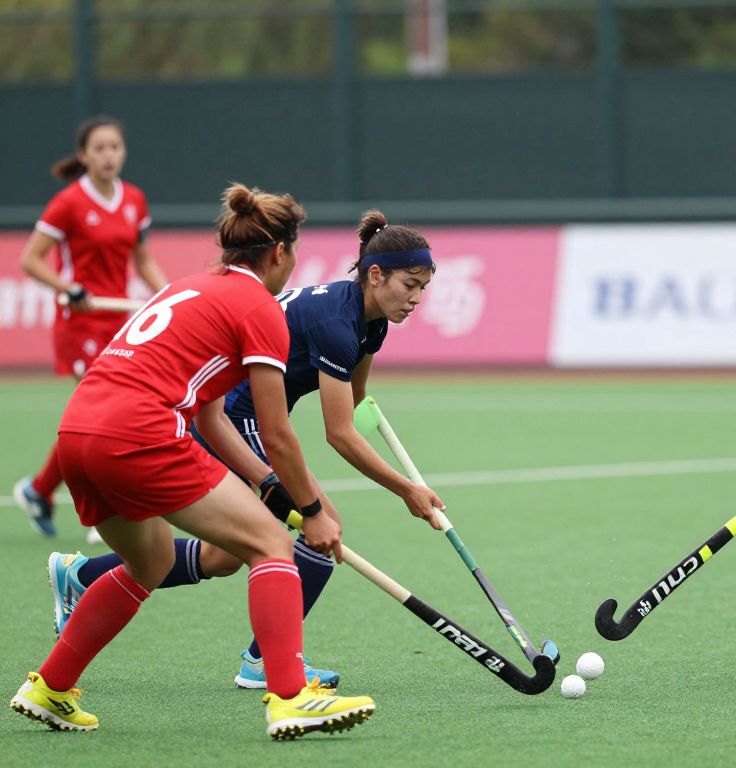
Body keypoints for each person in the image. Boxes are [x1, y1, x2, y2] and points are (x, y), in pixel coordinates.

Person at [10, 183, 375, 740]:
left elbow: (210, 418)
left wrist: (271, 488)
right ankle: (289, 696)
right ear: (280, 252)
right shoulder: (261, 309)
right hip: (140, 435)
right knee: (272, 545)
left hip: (78, 434)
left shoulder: (191, 288)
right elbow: (276, 432)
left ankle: (50, 686)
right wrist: (311, 508)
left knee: (149, 563)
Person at [45, 209, 445, 691]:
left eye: (424, 287)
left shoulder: (371, 322)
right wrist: (405, 489)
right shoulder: (338, 325)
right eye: (410, 284)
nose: (417, 298)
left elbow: (354, 404)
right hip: (236, 416)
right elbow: (337, 433)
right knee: (320, 527)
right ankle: (265, 664)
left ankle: (82, 575)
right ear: (375, 275)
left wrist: (370, 415)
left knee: (222, 557)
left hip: (230, 417)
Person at [13, 115, 167, 541]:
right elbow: (31, 259)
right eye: (99, 148)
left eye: (114, 147)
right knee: (106, 412)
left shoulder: (134, 199)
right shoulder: (68, 203)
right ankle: (110, 508)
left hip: (118, 324)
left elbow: (143, 259)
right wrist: (69, 286)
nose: (108, 155)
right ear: (84, 156)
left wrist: (167, 293)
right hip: (78, 323)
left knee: (101, 414)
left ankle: (40, 490)